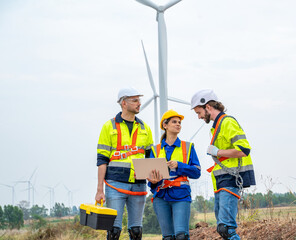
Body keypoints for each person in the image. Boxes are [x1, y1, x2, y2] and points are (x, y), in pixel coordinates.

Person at [191, 89, 255, 240]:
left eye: (199, 112)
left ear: (207, 107)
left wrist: (218, 152)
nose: (199, 117)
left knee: (226, 228)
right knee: (222, 228)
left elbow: (244, 149)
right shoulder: (217, 126)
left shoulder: (227, 122)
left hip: (231, 178)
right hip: (222, 180)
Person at [95, 87, 154, 240]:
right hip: (115, 184)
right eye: (135, 100)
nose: (139, 103)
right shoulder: (109, 126)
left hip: (138, 184)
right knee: (114, 230)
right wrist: (99, 189)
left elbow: (150, 159)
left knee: (136, 231)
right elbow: (102, 160)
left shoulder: (145, 128)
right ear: (123, 103)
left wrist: (152, 177)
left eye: (139, 100)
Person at [147, 109, 201, 240]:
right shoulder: (155, 149)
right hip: (161, 197)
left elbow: (196, 172)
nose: (178, 125)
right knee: (168, 238)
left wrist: (179, 165)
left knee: (181, 236)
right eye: (174, 122)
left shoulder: (188, 147)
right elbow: (150, 180)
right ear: (165, 125)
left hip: (181, 195)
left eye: (179, 122)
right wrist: (153, 181)